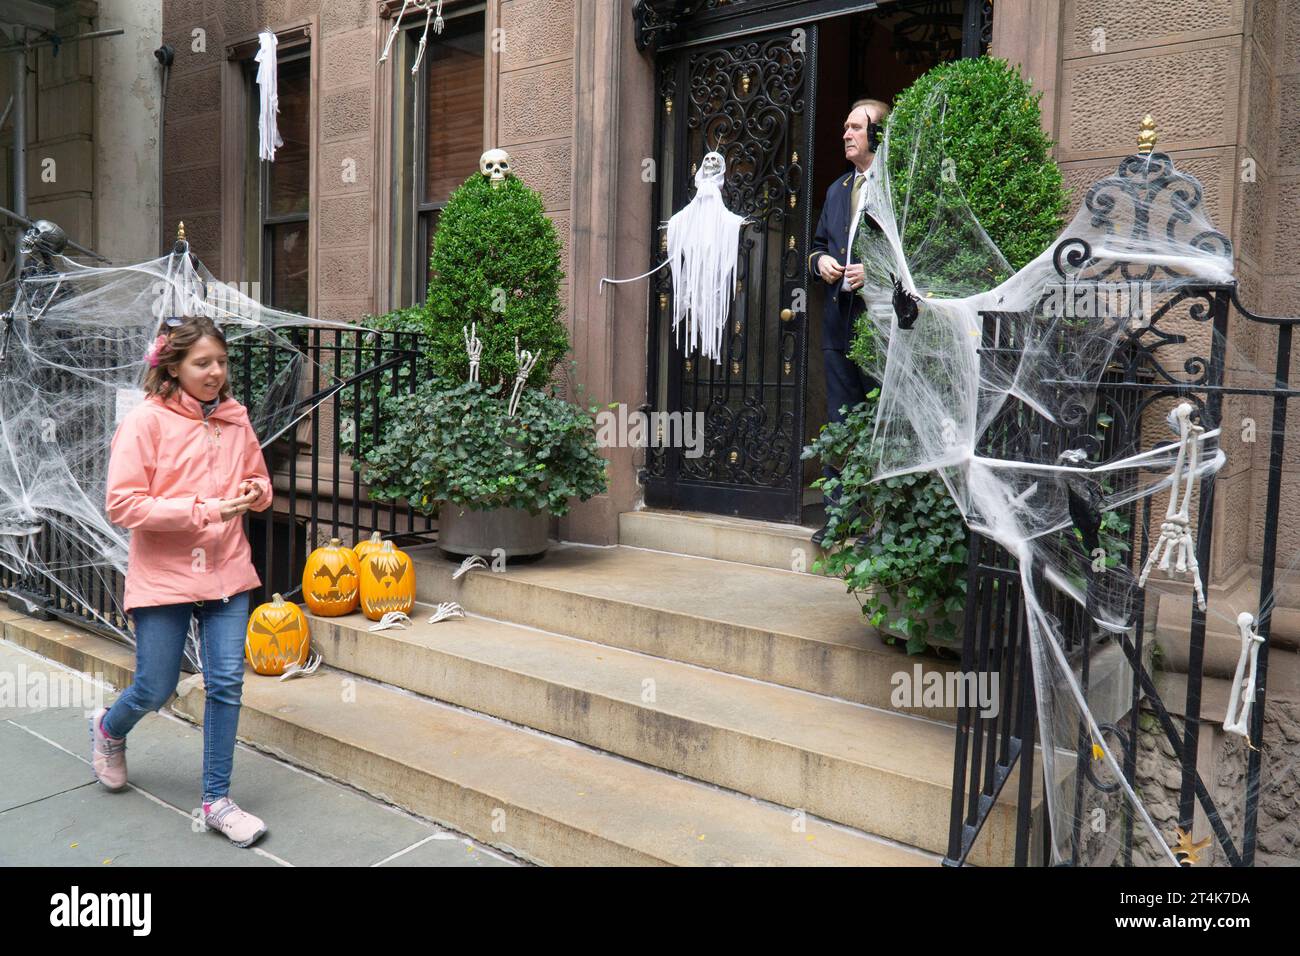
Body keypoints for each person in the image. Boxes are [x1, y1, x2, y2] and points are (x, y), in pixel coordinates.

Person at [92, 315, 274, 848]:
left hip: (228, 572)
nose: (216, 372)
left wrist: (254, 493)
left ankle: (216, 799)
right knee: (156, 687)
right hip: (166, 574)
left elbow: (260, 479)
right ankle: (108, 728)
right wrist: (205, 510)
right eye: (203, 363)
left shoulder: (236, 418)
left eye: (221, 362)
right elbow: (123, 504)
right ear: (172, 367)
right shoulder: (145, 422)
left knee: (225, 683)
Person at [808, 97, 890, 546]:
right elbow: (817, 243)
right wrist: (819, 261)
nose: (846, 134)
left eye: (856, 127)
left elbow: (917, 256)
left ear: (877, 134)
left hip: (880, 330)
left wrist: (874, 273)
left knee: (880, 424)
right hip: (838, 326)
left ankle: (881, 526)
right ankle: (841, 518)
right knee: (840, 424)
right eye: (845, 126)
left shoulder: (897, 186)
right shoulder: (838, 189)